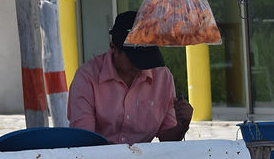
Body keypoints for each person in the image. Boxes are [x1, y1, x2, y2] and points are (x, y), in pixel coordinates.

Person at [67, 10, 193, 144]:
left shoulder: (163, 77)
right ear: (113, 48)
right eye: (135, 59)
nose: (142, 65)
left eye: (147, 58)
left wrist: (182, 126)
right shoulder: (87, 78)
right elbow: (84, 141)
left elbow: (167, 139)